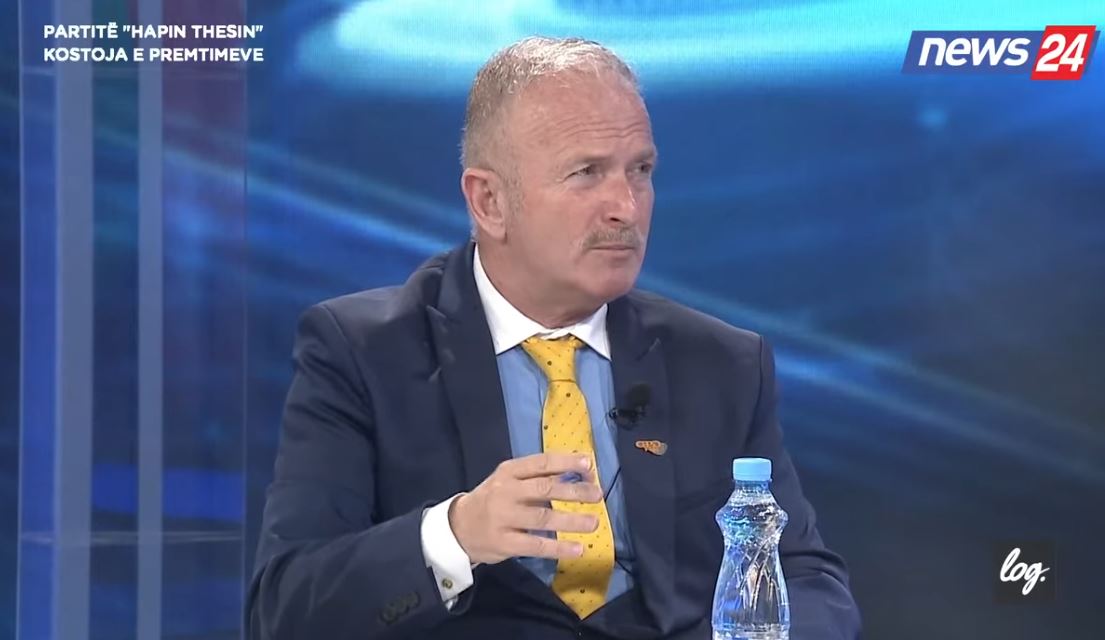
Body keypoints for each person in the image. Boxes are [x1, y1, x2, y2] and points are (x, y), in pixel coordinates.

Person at [247, 36, 861, 640]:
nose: (626, 207)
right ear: (490, 201)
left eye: (640, 170)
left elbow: (808, 580)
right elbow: (286, 607)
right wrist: (457, 533)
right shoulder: (362, 352)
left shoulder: (721, 364)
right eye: (586, 173)